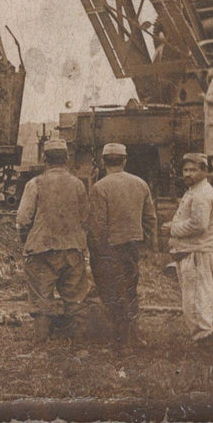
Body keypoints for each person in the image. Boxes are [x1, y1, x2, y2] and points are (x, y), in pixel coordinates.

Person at [15, 139, 89, 341]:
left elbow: (22, 219)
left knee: (41, 299)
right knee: (75, 298)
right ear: (66, 158)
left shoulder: (34, 184)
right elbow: (85, 218)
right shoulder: (78, 185)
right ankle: (79, 344)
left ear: (44, 159)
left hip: (41, 250)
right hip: (72, 249)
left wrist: (26, 236)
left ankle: (41, 343)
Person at [86, 142, 158, 347]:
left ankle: (119, 338)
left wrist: (96, 253)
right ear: (125, 161)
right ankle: (132, 334)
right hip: (132, 247)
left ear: (103, 161)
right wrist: (151, 246)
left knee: (111, 292)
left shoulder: (100, 187)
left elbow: (97, 226)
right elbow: (150, 219)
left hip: (109, 248)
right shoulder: (140, 184)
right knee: (130, 289)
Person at [163, 153, 213, 351]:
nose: (188, 173)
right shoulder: (194, 190)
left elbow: (199, 225)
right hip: (195, 252)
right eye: (185, 170)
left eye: (193, 170)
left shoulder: (201, 194)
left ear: (204, 171)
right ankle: (210, 336)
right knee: (202, 298)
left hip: (198, 253)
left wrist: (173, 228)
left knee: (197, 301)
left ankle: (207, 343)